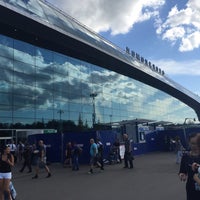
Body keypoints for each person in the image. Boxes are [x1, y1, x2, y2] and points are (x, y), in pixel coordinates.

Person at [179, 133, 200, 200]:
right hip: (191, 188)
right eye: (192, 143)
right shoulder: (185, 156)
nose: (194, 146)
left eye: (196, 143)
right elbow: (182, 171)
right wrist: (182, 174)